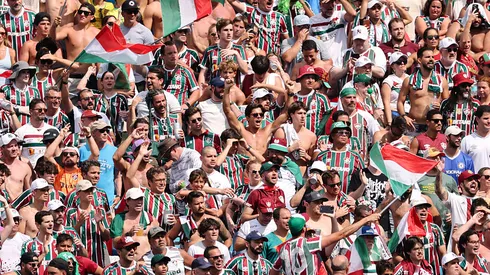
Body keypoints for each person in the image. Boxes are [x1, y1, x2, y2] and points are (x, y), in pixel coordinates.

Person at [271, 212, 381, 275]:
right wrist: (366, 219)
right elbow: (342, 234)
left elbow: (272, 273)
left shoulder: (283, 248)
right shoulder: (309, 244)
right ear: (304, 228)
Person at [50, 3, 99, 95]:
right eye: (80, 12)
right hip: (71, 76)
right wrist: (54, 26)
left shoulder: (97, 33)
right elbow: (53, 38)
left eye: (86, 13)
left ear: (92, 17)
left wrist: (99, 76)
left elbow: (101, 55)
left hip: (88, 77)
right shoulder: (69, 30)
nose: (82, 15)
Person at [398, 47, 449, 134]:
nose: (431, 59)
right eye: (428, 57)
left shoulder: (442, 80)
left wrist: (440, 106)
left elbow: (447, 103)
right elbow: (400, 101)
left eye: (433, 57)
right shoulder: (409, 80)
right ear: (419, 60)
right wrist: (404, 117)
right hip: (415, 124)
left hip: (435, 124)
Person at [66, 180, 110, 266]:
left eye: (91, 191)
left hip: (97, 258)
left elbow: (107, 237)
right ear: (78, 194)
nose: (90, 193)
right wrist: (79, 223)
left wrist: (99, 224)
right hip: (77, 258)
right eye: (86, 191)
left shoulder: (100, 211)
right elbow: (67, 237)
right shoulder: (71, 213)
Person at [110, 187, 158, 261]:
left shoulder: (148, 218)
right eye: (135, 199)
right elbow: (115, 243)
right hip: (127, 263)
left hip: (146, 262)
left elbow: (158, 240)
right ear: (127, 201)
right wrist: (128, 234)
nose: (139, 202)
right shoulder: (119, 218)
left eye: (141, 199)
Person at [316, 121, 365, 193]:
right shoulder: (322, 156)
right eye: (341, 132)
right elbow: (315, 178)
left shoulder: (355, 157)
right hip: (326, 199)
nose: (344, 135)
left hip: (349, 199)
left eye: (347, 133)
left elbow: (363, 178)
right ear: (332, 135)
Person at [198, 19, 248, 86]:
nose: (229, 33)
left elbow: (245, 71)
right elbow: (202, 73)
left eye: (231, 30)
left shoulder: (239, 49)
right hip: (214, 90)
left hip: (233, 90)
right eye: (225, 30)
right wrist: (201, 90)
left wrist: (236, 54)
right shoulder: (210, 50)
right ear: (218, 32)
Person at [79, 121, 118, 205]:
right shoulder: (83, 150)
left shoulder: (114, 150)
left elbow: (117, 176)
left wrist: (118, 195)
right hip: (87, 198)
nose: (105, 133)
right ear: (93, 133)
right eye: (101, 131)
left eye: (107, 131)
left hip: (109, 199)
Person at [118, 0, 154, 92]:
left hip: (139, 78)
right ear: (123, 14)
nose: (132, 14)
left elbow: (149, 60)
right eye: (129, 12)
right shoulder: (117, 31)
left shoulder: (145, 32)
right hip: (121, 78)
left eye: (135, 12)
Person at [158, 41, 201, 107]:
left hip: (179, 111)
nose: (173, 56)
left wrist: (186, 105)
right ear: (162, 57)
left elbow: (196, 91)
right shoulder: (157, 71)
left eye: (175, 52)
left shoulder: (185, 71)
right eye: (170, 53)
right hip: (161, 110)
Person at [1, 61, 40, 125]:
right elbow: (1, 103)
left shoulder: (35, 91)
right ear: (16, 74)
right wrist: (20, 109)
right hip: (10, 130)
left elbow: (39, 108)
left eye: (28, 72)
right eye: (23, 72)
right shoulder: (5, 89)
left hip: (30, 128)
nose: (27, 75)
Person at [21, 211, 57, 275]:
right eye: (47, 222)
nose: (51, 224)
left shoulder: (59, 244)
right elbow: (25, 268)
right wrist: (44, 253)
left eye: (52, 221)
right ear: (38, 225)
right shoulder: (28, 245)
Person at [0, 202, 30, 274]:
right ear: (3, 222)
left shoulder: (26, 239)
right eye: (13, 220)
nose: (16, 222)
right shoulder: (1, 238)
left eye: (18, 220)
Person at [0, 133, 32, 201]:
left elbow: (29, 193)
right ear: (2, 148)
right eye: (10, 146)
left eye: (16, 145)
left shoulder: (25, 167)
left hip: (17, 207)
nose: (14, 149)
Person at [461, 105, 490, 171]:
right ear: (477, 119)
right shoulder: (467, 140)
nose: (489, 121)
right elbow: (462, 164)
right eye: (486, 118)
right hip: (474, 180)